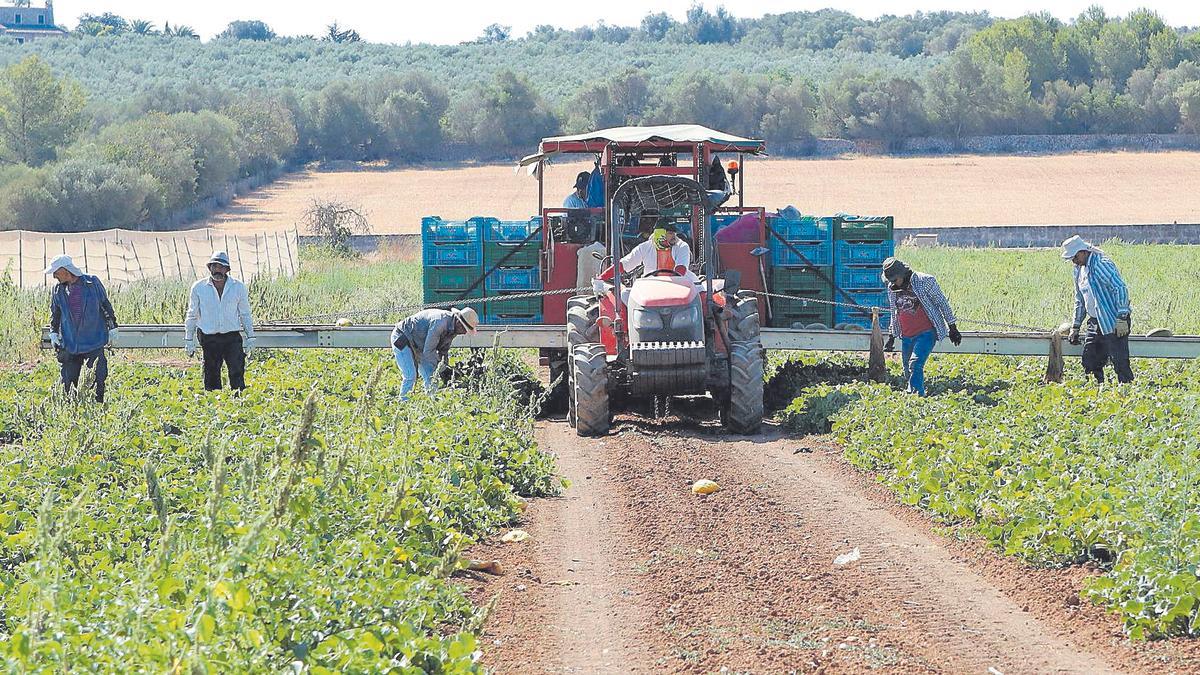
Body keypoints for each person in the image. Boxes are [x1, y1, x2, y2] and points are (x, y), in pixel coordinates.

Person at [881, 257, 962, 396]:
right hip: (907, 334)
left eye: (894, 280)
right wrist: (892, 335)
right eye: (890, 281)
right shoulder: (892, 288)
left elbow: (942, 303)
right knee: (907, 367)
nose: (892, 283)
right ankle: (912, 393)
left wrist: (952, 327)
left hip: (926, 332)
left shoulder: (924, 281)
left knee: (915, 363)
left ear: (902, 274)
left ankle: (917, 395)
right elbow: (895, 312)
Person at [45, 254, 117, 402]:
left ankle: (95, 413)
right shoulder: (58, 290)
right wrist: (53, 332)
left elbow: (105, 305)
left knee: (96, 384)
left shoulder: (92, 283)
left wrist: (112, 326)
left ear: (65, 270)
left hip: (93, 341)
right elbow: (55, 313)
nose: (54, 276)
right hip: (70, 343)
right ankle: (72, 415)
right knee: (68, 387)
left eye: (56, 272)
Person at [1062, 235, 1134, 383]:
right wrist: (1075, 326)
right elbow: (1080, 299)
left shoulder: (1101, 264)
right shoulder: (1078, 270)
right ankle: (1096, 391)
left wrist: (1122, 316)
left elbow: (1120, 288)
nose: (1073, 261)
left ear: (1083, 252)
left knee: (1119, 361)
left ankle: (1127, 391)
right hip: (1095, 321)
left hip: (1112, 319)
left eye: (1074, 257)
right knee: (1090, 360)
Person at [184, 251, 257, 391]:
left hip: (231, 336)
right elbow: (192, 314)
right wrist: (188, 339)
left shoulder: (238, 287)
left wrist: (251, 337)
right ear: (209, 268)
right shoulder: (198, 288)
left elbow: (245, 313)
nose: (217, 270)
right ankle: (214, 405)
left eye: (221, 267)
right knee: (211, 374)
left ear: (227, 270)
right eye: (214, 266)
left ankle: (239, 402)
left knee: (237, 371)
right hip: (208, 336)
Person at [391, 307, 479, 400]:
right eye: (465, 329)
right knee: (410, 375)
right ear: (459, 323)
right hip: (403, 337)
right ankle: (403, 405)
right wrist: (442, 369)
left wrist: (445, 366)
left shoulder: (453, 329)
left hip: (420, 343)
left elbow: (443, 351)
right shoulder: (439, 323)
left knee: (432, 377)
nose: (465, 333)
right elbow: (428, 352)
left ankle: (431, 404)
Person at [597, 218, 693, 285]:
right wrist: (601, 278)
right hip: (649, 288)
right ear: (660, 233)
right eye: (671, 233)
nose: (674, 236)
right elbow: (625, 264)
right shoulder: (645, 247)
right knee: (624, 295)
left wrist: (669, 285)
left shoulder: (682, 246)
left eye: (675, 233)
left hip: (677, 288)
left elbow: (681, 269)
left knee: (700, 293)